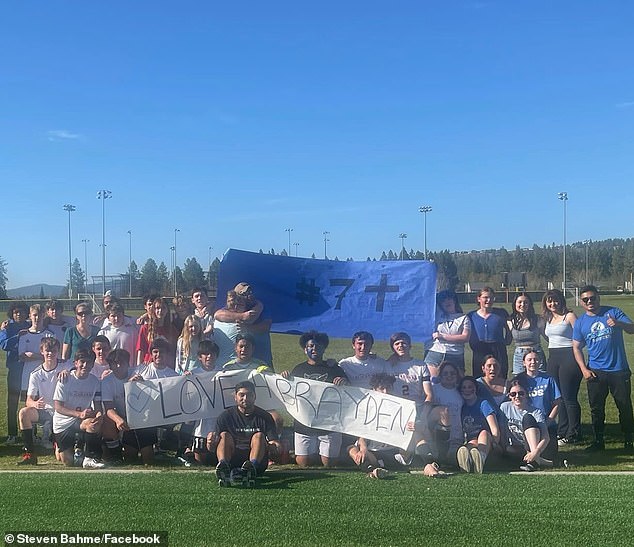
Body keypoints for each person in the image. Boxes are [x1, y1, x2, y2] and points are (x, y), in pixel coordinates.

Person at [572, 285, 634, 452]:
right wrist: (584, 369)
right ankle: (598, 441)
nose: (590, 301)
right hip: (596, 371)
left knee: (624, 405)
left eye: (593, 298)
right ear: (581, 302)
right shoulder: (580, 323)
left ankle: (629, 440)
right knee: (596, 408)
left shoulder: (613, 312)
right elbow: (576, 347)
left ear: (598, 298)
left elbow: (632, 329)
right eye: (586, 299)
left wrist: (618, 323)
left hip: (618, 369)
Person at [282, 330, 348, 467]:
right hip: (305, 423)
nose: (314, 349)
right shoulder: (298, 370)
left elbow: (349, 391)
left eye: (318, 346)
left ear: (324, 348)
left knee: (329, 464)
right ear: (305, 349)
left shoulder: (334, 368)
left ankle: (339, 451)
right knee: (303, 463)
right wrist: (285, 378)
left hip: (328, 424)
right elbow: (289, 392)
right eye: (310, 346)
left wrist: (343, 382)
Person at [215, 380, 281, 487]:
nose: (245, 398)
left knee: (259, 436)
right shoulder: (225, 416)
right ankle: (223, 467)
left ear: (254, 397)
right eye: (242, 395)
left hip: (257, 459)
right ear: (235, 397)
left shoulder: (264, 416)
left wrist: (274, 447)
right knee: (224, 435)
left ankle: (251, 468)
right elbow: (212, 447)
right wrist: (210, 441)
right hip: (232, 457)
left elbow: (276, 443)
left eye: (249, 395)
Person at [17, 338, 71, 464]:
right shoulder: (36, 374)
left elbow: (77, 369)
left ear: (58, 352)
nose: (50, 354)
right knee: (24, 413)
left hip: (63, 412)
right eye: (47, 351)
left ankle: (57, 442)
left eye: (53, 351)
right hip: (45, 411)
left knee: (61, 457)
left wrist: (68, 371)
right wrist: (35, 404)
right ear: (42, 351)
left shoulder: (65, 365)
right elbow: (28, 400)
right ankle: (30, 454)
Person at [52, 348, 105, 468]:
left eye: (89, 362)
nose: (85, 365)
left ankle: (89, 458)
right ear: (75, 363)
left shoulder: (95, 381)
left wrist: (99, 416)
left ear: (93, 364)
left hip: (81, 420)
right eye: (82, 362)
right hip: (62, 422)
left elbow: (97, 406)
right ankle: (59, 445)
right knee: (68, 462)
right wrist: (79, 414)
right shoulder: (65, 379)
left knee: (92, 424)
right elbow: (58, 407)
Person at [542, 289, 581, 445]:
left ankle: (574, 433)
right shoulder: (547, 318)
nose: (553, 304)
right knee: (558, 398)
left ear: (561, 301)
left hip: (569, 357)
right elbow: (547, 336)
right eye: (549, 301)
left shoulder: (569, 316)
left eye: (556, 300)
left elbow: (581, 335)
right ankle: (562, 431)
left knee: (569, 397)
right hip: (553, 357)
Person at [101, 349, 154, 465]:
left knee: (148, 458)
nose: (119, 366)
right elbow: (108, 408)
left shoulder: (138, 374)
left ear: (128, 363)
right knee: (130, 457)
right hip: (123, 416)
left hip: (141, 417)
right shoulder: (106, 382)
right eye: (115, 363)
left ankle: (153, 448)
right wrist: (118, 420)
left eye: (122, 362)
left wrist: (139, 384)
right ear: (110, 365)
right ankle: (115, 453)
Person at [513, 350, 561, 464]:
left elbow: (557, 403)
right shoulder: (519, 380)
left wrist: (548, 421)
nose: (533, 362)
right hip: (526, 423)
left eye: (535, 359)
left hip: (546, 423)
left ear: (540, 362)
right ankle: (536, 459)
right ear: (524, 363)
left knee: (551, 455)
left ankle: (535, 458)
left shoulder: (548, 379)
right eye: (529, 359)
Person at [500, 379, 551, 472]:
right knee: (508, 450)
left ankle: (534, 461)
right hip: (516, 447)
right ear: (509, 396)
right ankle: (539, 461)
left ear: (526, 394)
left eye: (521, 393)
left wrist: (536, 452)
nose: (517, 396)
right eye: (513, 394)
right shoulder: (504, 407)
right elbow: (502, 433)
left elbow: (546, 437)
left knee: (528, 418)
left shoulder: (536, 412)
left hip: (535, 446)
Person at [456, 376, 500, 474]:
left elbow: (494, 428)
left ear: (475, 388)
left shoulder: (483, 404)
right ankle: (469, 463)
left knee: (483, 433)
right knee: (468, 447)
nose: (467, 390)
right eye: (464, 387)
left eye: (470, 387)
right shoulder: (462, 406)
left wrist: (495, 443)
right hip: (472, 440)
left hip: (488, 441)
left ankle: (481, 458)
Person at [0, 302, 30, 443]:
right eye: (16, 312)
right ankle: (12, 434)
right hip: (14, 369)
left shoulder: (30, 324)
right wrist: (17, 336)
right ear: (12, 313)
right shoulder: (7, 327)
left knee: (29, 403)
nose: (19, 314)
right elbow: (4, 345)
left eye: (22, 311)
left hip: (29, 371)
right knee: (12, 402)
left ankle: (31, 434)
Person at [425, 290, 471, 376]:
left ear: (454, 300)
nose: (447, 302)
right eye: (443, 300)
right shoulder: (435, 315)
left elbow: (465, 337)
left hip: (455, 354)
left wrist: (442, 336)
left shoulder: (464, 318)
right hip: (435, 352)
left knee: (456, 384)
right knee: (432, 382)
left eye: (449, 299)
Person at [468, 287, 510, 378]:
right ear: (479, 299)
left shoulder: (501, 313)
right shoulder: (471, 316)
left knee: (500, 376)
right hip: (479, 350)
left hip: (498, 349)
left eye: (491, 297)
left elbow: (509, 329)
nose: (489, 300)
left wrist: (507, 340)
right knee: (480, 378)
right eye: (485, 297)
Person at [18, 304, 55, 393]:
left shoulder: (49, 335)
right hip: (28, 374)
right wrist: (42, 357)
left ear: (44, 316)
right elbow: (22, 357)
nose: (37, 318)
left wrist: (32, 355)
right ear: (30, 316)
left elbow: (53, 356)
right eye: (35, 315)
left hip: (46, 375)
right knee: (29, 404)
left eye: (40, 315)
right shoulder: (24, 335)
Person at [507, 293, 546, 375]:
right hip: (519, 356)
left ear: (530, 304)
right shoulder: (510, 321)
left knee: (539, 379)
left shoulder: (538, 319)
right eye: (520, 302)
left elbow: (547, 337)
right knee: (519, 382)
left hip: (536, 354)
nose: (522, 305)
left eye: (525, 302)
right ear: (515, 304)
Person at [388, 331, 432, 403]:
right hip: (396, 406)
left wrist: (425, 409)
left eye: (403, 343)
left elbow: (429, 394)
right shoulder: (388, 365)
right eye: (397, 344)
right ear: (393, 348)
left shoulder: (421, 365)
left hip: (417, 406)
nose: (400, 345)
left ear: (410, 346)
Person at [136, 296, 178, 366]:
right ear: (153, 310)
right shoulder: (145, 328)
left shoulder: (172, 330)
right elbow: (141, 350)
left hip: (166, 368)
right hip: (149, 366)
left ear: (167, 310)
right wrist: (139, 369)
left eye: (163, 308)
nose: (160, 311)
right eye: (157, 308)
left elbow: (174, 351)